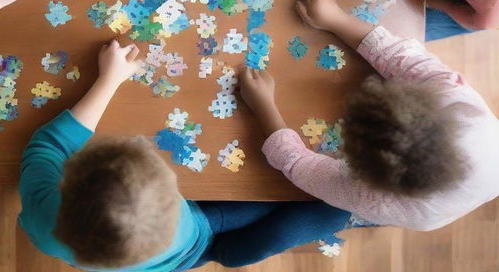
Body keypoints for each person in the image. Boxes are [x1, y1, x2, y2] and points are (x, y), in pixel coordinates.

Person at [19, 38, 354, 270]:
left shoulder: (44, 223)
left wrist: (109, 79)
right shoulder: (180, 223)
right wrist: (111, 77)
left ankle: (226, 254)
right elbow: (51, 147)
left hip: (173, 261)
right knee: (329, 209)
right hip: (198, 234)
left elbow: (48, 145)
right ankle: (230, 252)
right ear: (180, 202)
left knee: (308, 214)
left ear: (69, 180)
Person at [240, 0, 499, 230]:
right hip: (488, 167)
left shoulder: (376, 200)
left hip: (429, 208)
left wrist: (263, 106)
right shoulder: (460, 104)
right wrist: (335, 18)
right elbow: (403, 58)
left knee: (277, 233)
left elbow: (298, 165)